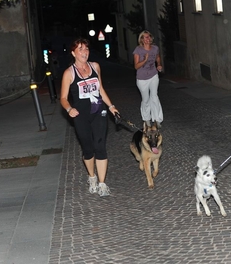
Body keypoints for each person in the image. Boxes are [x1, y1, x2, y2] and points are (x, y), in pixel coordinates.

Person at [60, 38, 119, 196]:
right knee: (88, 149)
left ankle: (102, 183)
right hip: (81, 115)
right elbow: (63, 98)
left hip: (99, 111)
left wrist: (111, 106)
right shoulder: (69, 73)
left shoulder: (95, 66)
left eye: (86, 49)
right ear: (73, 53)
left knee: (100, 147)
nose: (84, 52)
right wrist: (69, 109)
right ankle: (92, 177)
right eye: (80, 49)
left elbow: (100, 89)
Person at [133, 30, 163, 128]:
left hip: (153, 75)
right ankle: (146, 119)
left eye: (149, 36)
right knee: (145, 99)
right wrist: (145, 60)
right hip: (142, 78)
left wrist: (158, 65)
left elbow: (157, 58)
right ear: (141, 39)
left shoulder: (155, 48)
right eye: (145, 37)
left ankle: (157, 119)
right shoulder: (138, 50)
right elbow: (136, 66)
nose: (148, 38)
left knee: (154, 97)